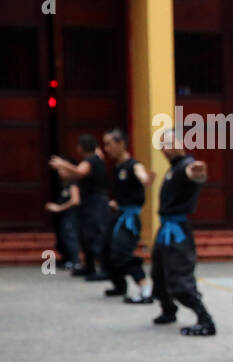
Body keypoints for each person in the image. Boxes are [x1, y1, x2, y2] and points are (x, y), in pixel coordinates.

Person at [151, 127, 217, 336]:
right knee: (158, 274)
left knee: (179, 278)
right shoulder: (173, 168)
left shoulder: (185, 166)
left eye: (169, 144)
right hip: (165, 229)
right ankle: (168, 310)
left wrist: (199, 172)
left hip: (177, 232)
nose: (165, 149)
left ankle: (205, 320)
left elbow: (195, 172)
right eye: (162, 145)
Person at [49, 135, 112, 279]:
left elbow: (79, 172)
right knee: (86, 236)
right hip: (90, 204)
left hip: (95, 204)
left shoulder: (91, 161)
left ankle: (104, 269)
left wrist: (62, 164)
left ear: (81, 148)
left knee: (96, 236)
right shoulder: (96, 159)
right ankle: (89, 267)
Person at [102, 128, 154, 303]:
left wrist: (146, 179)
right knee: (104, 250)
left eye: (109, 144)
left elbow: (142, 176)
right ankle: (119, 285)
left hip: (130, 219)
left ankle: (145, 288)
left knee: (122, 252)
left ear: (121, 143)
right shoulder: (117, 167)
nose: (106, 148)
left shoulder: (134, 165)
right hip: (118, 214)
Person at [45, 171, 81, 271]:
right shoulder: (63, 184)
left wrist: (59, 208)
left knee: (70, 237)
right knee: (63, 238)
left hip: (70, 215)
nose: (61, 173)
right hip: (63, 216)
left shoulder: (73, 183)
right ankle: (67, 260)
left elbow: (75, 200)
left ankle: (75, 261)